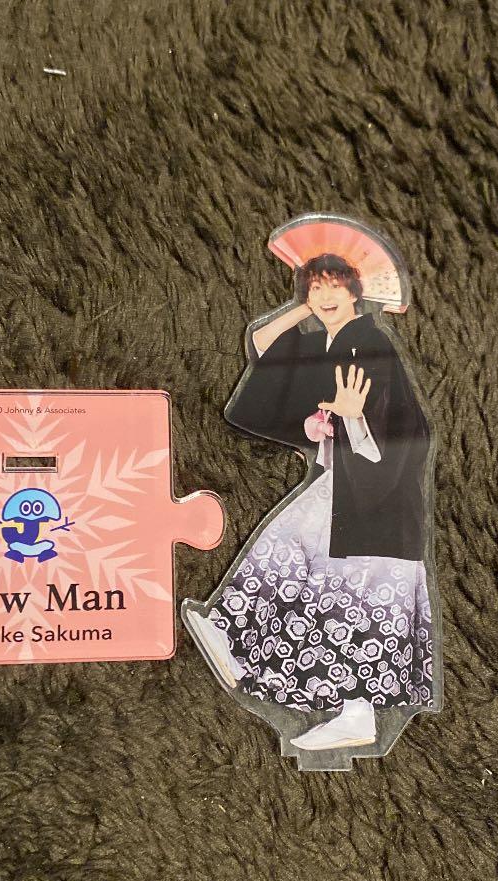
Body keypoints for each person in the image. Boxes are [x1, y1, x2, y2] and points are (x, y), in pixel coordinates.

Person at [185, 253, 436, 752]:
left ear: (355, 292)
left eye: (334, 286)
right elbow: (264, 345)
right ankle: (233, 637)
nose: (324, 296)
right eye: (315, 286)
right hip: (351, 483)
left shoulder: (368, 342)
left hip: (377, 494)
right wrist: (325, 424)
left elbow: (397, 423)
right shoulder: (331, 343)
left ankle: (350, 708)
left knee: (348, 591)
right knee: (312, 572)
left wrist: (353, 418)